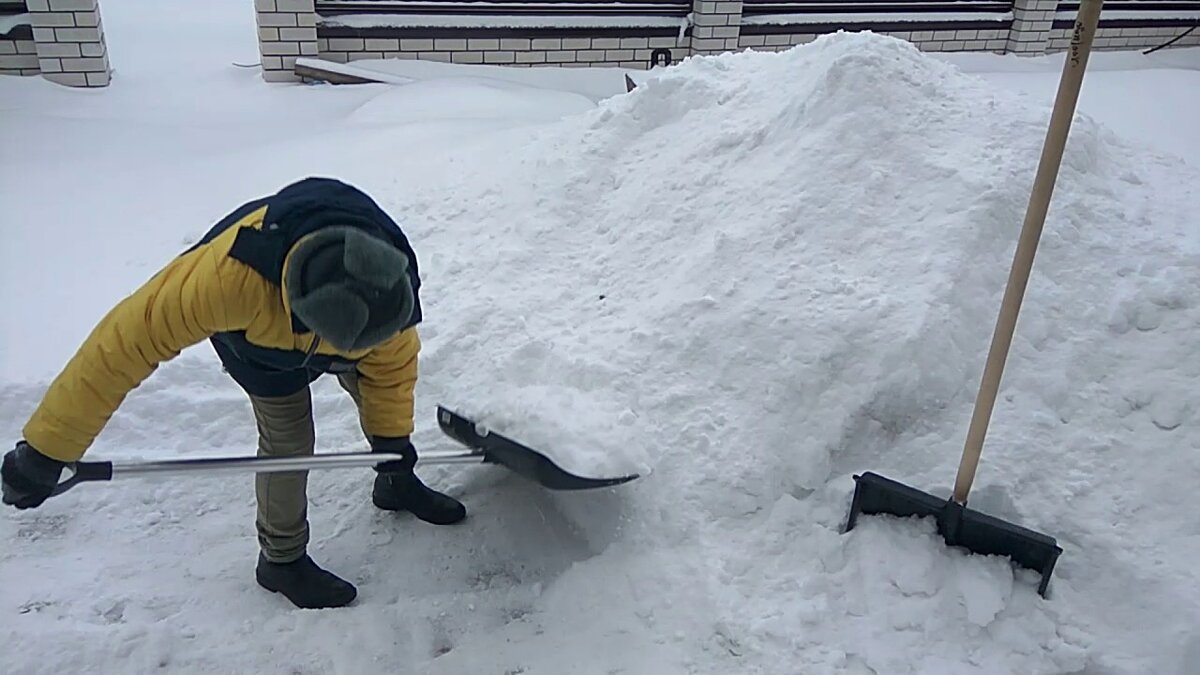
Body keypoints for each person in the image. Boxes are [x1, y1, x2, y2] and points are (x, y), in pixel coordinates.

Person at [0, 177, 465, 609]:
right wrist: (46, 450)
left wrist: (392, 450)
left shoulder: (390, 296)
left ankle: (394, 484)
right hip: (260, 348)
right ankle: (281, 561)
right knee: (289, 443)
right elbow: (121, 347)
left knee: (378, 390)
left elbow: (391, 375)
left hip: (348, 326)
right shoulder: (226, 281)